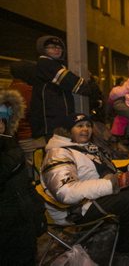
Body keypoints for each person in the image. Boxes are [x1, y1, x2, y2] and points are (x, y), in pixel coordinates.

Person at [41, 113, 129, 255]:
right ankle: (128, 246)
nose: (86, 129)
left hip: (93, 196)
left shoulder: (84, 147)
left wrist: (127, 171)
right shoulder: (58, 153)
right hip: (75, 209)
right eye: (79, 126)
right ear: (67, 130)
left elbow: (102, 169)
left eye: (88, 126)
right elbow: (65, 192)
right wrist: (114, 184)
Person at [0, 89, 46, 265]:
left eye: (1, 122)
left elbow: (26, 186)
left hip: (23, 228)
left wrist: (38, 211)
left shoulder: (11, 148)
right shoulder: (12, 154)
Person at [30, 35, 92, 140]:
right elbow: (73, 82)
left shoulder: (54, 64)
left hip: (55, 118)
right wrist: (90, 87)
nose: (57, 50)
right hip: (50, 120)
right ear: (43, 49)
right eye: (52, 47)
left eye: (59, 47)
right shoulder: (46, 63)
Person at [9, 60, 46, 173]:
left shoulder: (9, 90)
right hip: (32, 138)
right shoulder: (29, 91)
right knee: (38, 172)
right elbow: (39, 114)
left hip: (18, 139)